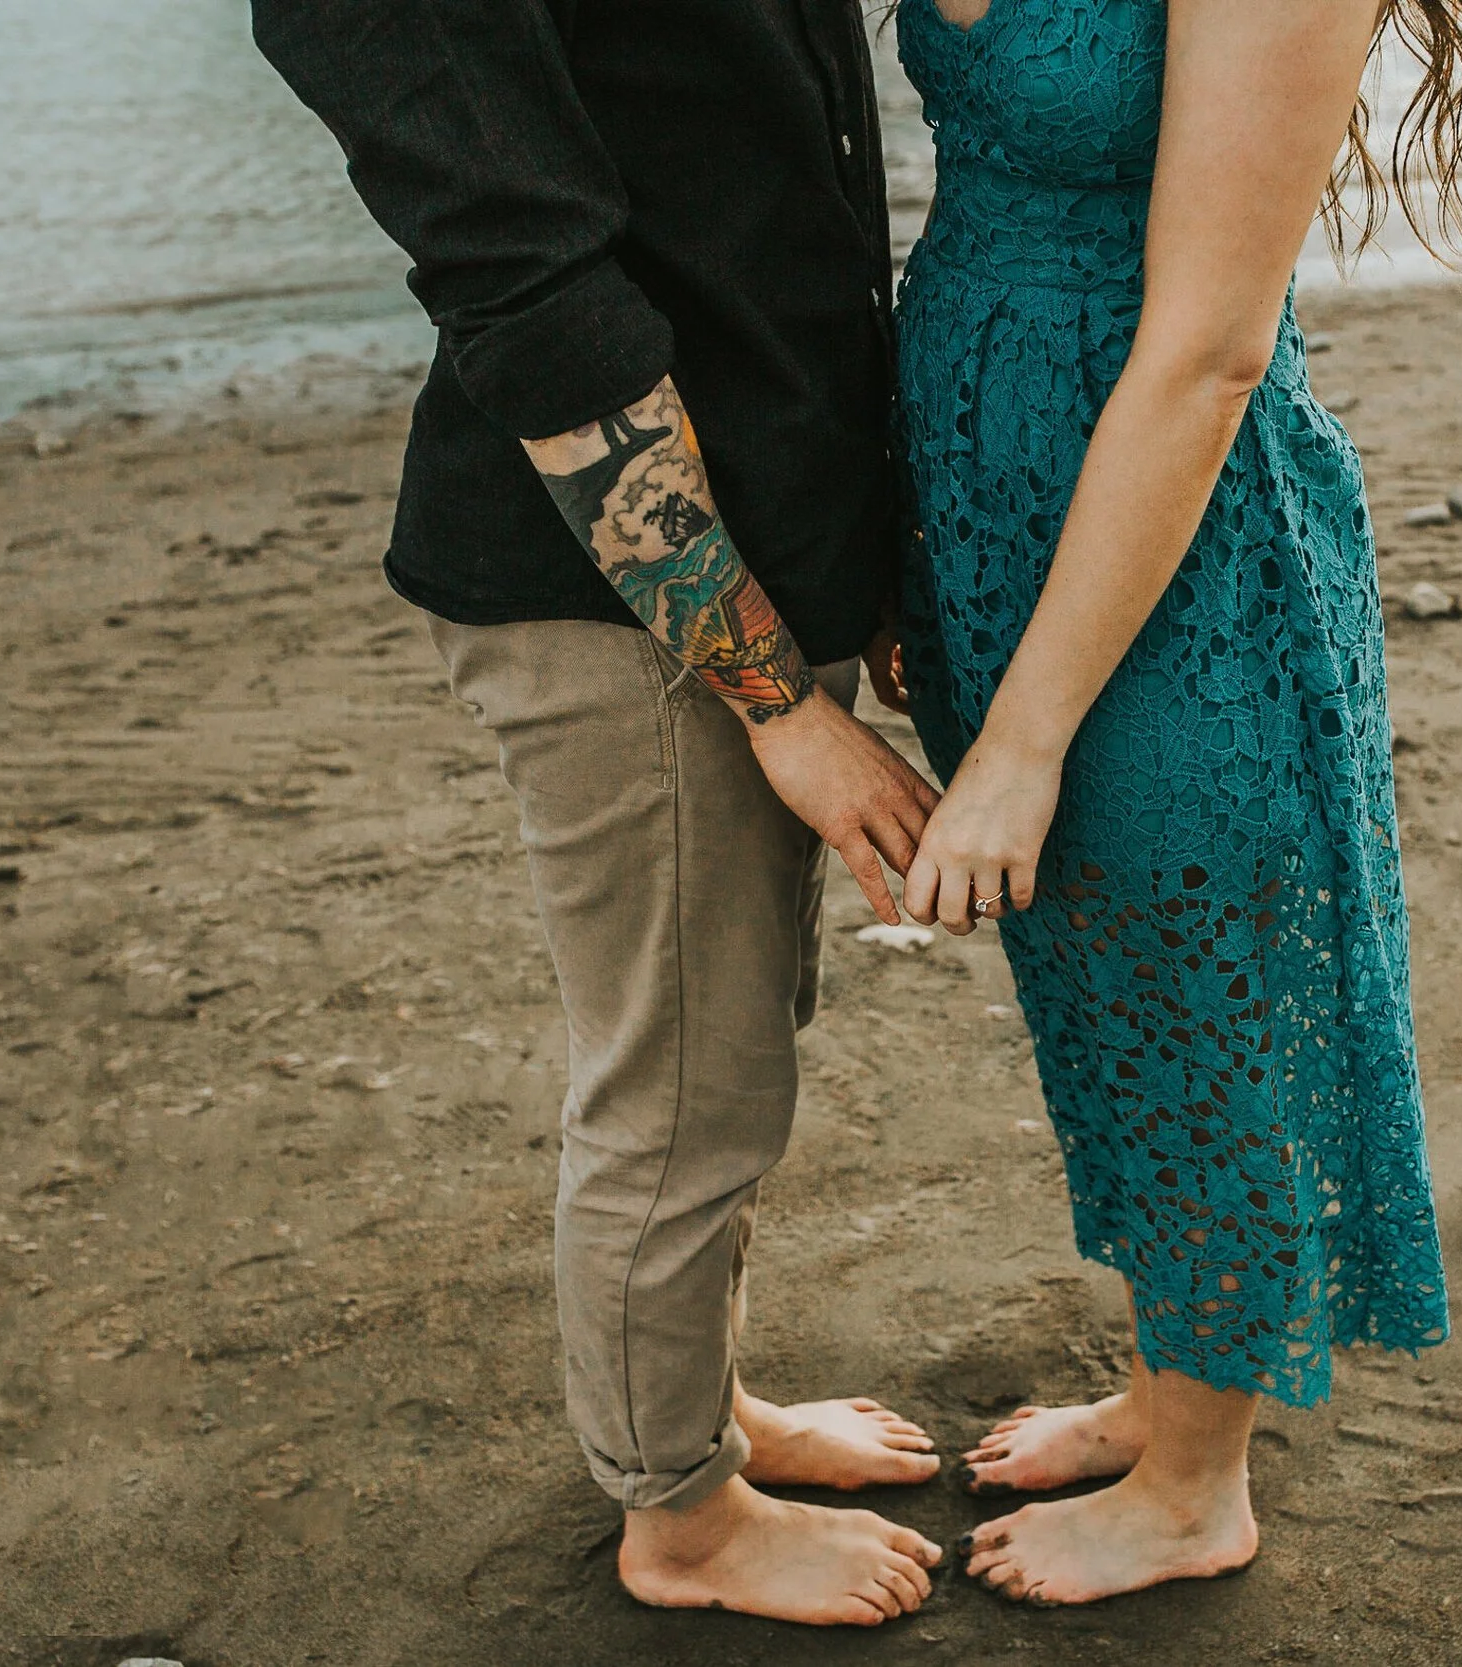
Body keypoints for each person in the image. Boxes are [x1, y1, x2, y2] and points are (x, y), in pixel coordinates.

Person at [250, 0, 948, 1627]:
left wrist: (870, 544)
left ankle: (696, 1415)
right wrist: (778, 701)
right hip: (612, 604)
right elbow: (530, 288)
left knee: (734, 1027)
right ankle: (683, 1518)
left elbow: (782, 178)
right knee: (683, 1079)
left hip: (748, 558)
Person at [890, 0, 1462, 1604]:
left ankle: (1194, 1489)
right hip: (981, 495)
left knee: (1208, 991)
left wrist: (1025, 743)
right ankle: (1168, 1389)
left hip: (1180, 538)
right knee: (1109, 981)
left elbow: (1213, 346)